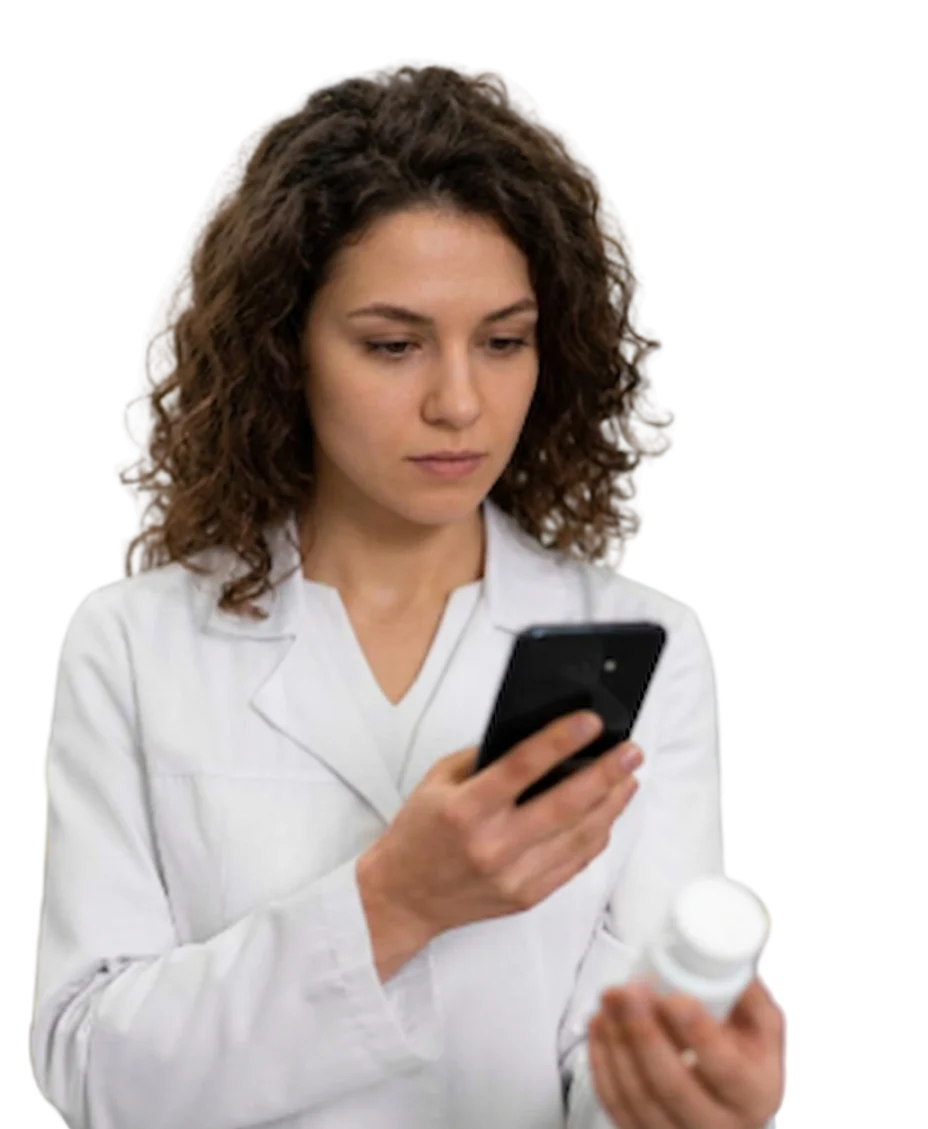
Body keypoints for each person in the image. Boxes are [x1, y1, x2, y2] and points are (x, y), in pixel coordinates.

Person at [30, 60, 788, 1129]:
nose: (459, 402)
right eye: (392, 345)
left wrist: (696, 1101)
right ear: (284, 347)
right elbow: (92, 1074)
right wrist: (395, 901)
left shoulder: (646, 641)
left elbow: (613, 1063)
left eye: (504, 340)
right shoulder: (130, 643)